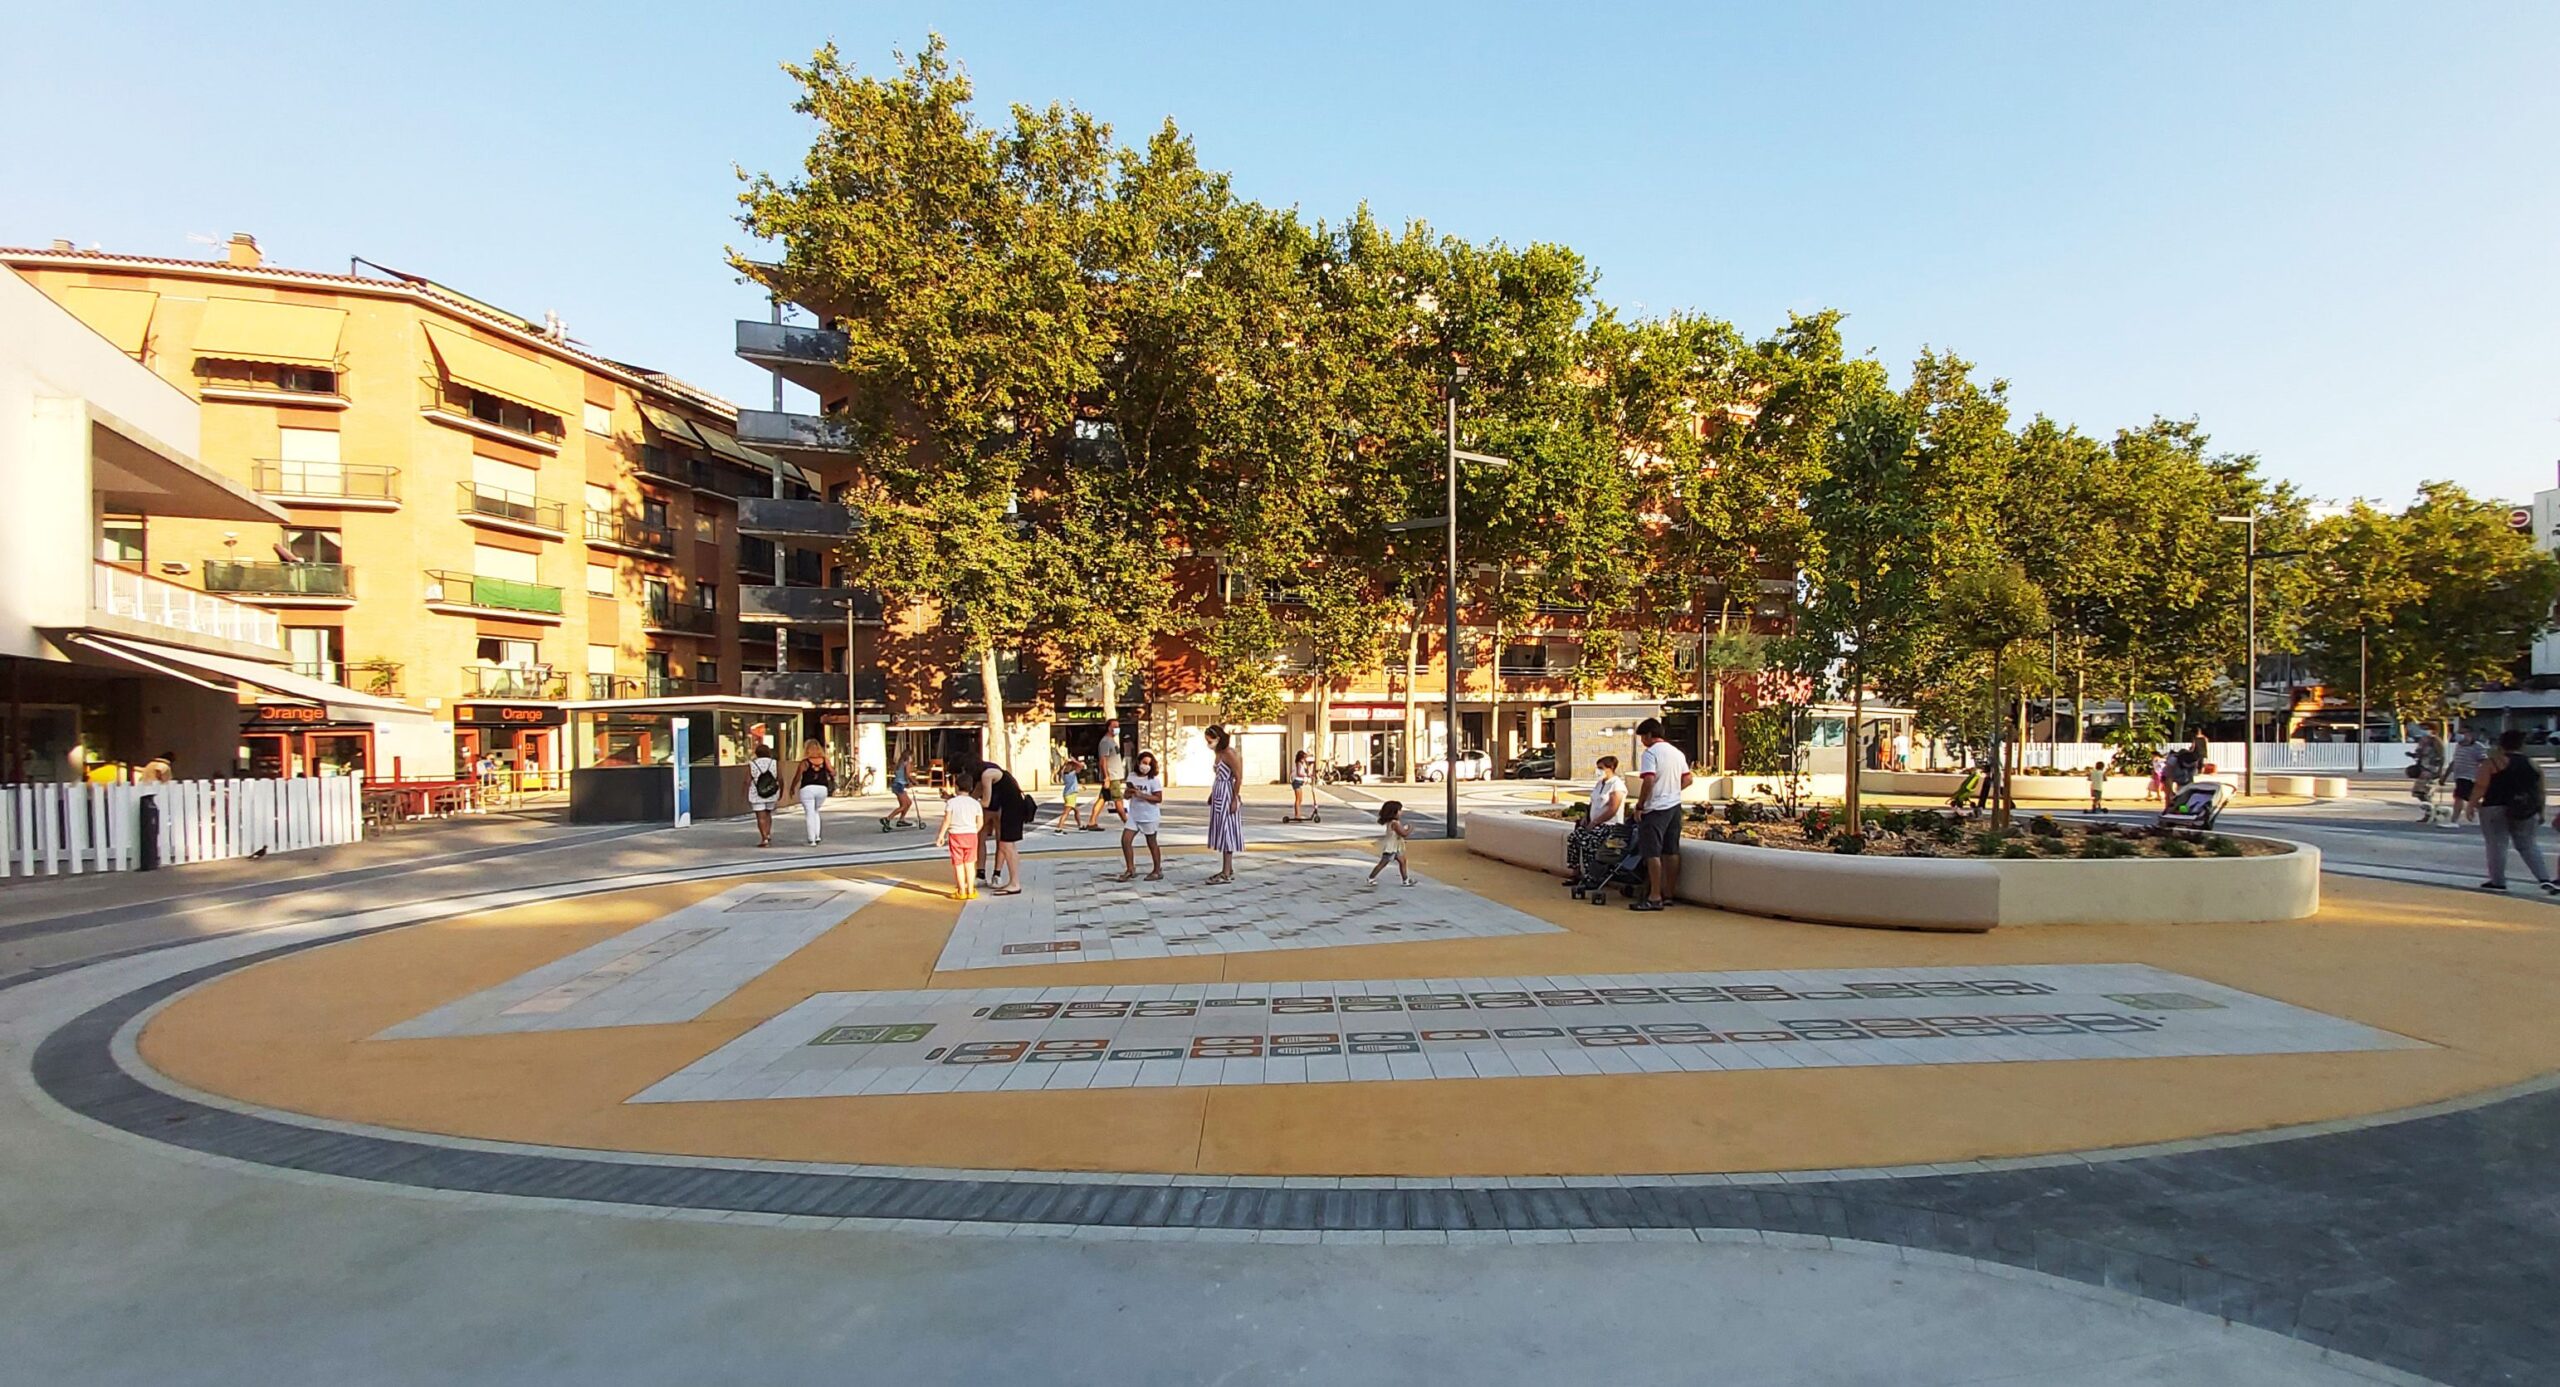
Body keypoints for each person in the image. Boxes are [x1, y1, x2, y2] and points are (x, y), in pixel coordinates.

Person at [2468, 730, 2557, 894]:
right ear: (2522, 745)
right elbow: (2541, 790)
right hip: (2526, 808)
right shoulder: (2533, 764)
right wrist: (2541, 810)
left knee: (2497, 845)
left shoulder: (2492, 763)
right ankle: (2544, 878)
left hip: (2494, 807)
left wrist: (2471, 805)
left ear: (2500, 745)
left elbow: (2480, 786)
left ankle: (2498, 881)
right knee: (2528, 844)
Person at [1630, 717, 1692, 912]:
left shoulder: (1650, 754)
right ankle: (1669, 894)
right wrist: (1672, 790)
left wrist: (1640, 805)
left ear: (1649, 735)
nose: (1642, 741)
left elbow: (1648, 780)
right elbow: (1688, 779)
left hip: (1655, 808)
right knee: (1671, 850)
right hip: (1674, 806)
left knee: (1652, 852)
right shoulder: (1677, 753)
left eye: (1643, 737)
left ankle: (1654, 896)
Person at [974, 760, 1030, 893]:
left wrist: (967, 803)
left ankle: (1014, 883)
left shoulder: (987, 775)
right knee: (1008, 846)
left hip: (1011, 810)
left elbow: (986, 802)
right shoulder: (992, 771)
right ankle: (1013, 882)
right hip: (1012, 808)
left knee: (1006, 845)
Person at [1114, 749, 1167, 882]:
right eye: (1144, 763)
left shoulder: (1153, 780)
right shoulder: (1132, 776)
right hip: (1134, 815)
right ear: (1138, 763)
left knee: (1151, 842)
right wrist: (1129, 793)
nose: (1145, 766)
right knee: (1125, 840)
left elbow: (1158, 798)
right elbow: (1126, 795)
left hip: (1149, 816)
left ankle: (1157, 870)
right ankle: (1130, 869)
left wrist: (1142, 795)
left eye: (1149, 764)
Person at [1202, 724, 1244, 884]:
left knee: (1227, 831)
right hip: (1219, 792)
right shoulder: (1218, 753)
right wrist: (1213, 794)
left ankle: (1226, 872)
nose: (1208, 744)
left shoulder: (1229, 753)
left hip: (1227, 792)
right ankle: (1227, 868)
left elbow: (1238, 777)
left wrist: (1234, 798)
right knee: (1221, 830)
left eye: (1210, 740)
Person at [936, 778, 985, 901]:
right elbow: (980, 822)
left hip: (955, 835)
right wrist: (974, 830)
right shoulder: (976, 803)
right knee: (970, 863)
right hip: (971, 834)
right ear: (971, 788)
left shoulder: (951, 803)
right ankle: (971, 890)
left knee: (958, 864)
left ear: (956, 787)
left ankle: (961, 891)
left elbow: (947, 820)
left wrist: (941, 835)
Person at [785, 740, 834, 847]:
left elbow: (798, 776)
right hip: (822, 788)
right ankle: (817, 836)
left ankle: (812, 839)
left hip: (807, 788)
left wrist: (792, 787)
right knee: (816, 810)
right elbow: (833, 772)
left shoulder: (805, 762)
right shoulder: (825, 760)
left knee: (810, 813)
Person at [1084, 719, 1125, 830]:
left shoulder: (1112, 741)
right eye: (1114, 726)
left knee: (1103, 798)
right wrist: (1106, 777)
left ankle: (1092, 822)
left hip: (1115, 775)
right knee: (1118, 799)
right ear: (1108, 728)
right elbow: (1103, 760)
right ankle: (1127, 822)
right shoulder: (1105, 742)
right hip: (1112, 776)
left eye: (1118, 726)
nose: (1117, 728)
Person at [1367, 799, 1415, 886]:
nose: (1401, 812)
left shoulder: (1394, 822)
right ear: (1394, 812)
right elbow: (1403, 833)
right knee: (1383, 863)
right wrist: (1410, 829)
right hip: (1391, 847)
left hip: (1396, 846)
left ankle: (1406, 879)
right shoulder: (1394, 823)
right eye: (1399, 810)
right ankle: (1371, 877)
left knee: (1402, 861)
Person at [744, 742, 781, 848]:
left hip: (757, 793)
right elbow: (780, 778)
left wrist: (744, 793)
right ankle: (768, 834)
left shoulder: (752, 764)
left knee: (760, 817)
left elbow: (747, 781)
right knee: (768, 814)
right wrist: (781, 791)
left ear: (757, 753)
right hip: (771, 792)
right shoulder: (774, 763)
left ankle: (764, 838)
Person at [2447, 728, 2487, 826]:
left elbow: (2484, 762)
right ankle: (2484, 812)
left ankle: (2454, 820)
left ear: (2469, 734)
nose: (2459, 735)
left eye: (2462, 733)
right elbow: (2455, 761)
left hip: (2469, 776)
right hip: (2458, 776)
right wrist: (2445, 775)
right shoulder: (2459, 746)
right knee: (2467, 798)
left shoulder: (2478, 747)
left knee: (2459, 797)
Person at [2409, 728, 2448, 825]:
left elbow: (2441, 759)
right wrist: (2415, 754)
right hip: (2423, 770)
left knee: (2423, 792)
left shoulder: (2435, 745)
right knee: (2419, 793)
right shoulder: (2423, 746)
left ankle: (2431, 812)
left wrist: (2440, 771)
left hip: (2430, 771)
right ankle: (2431, 811)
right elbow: (2419, 756)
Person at [1586, 755, 1628, 828]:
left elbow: (1613, 809)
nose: (1598, 771)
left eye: (1601, 768)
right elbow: (1593, 802)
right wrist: (1586, 818)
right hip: (1595, 825)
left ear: (1611, 767)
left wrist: (1596, 822)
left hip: (1610, 826)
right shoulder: (1599, 783)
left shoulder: (1616, 785)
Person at [881, 753, 917, 832]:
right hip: (899, 785)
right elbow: (907, 774)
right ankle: (888, 818)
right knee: (903, 806)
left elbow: (900, 775)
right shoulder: (907, 764)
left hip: (898, 784)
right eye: (911, 757)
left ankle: (901, 819)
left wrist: (906, 783)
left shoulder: (899, 764)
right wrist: (912, 781)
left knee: (908, 803)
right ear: (908, 757)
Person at [1286, 747, 1319, 824]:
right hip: (1296, 782)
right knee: (1298, 799)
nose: (1305, 759)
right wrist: (1307, 775)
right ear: (1301, 758)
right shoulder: (1299, 764)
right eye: (1304, 758)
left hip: (1299, 782)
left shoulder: (1301, 764)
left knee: (1300, 799)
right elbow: (1299, 773)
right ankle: (1297, 815)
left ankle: (1298, 814)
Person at [1052, 758, 1084, 832]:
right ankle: (1059, 828)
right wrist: (1075, 761)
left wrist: (1065, 763)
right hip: (1071, 795)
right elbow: (1081, 766)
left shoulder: (1063, 773)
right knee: (1066, 812)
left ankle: (1080, 826)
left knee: (1076, 811)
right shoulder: (1072, 773)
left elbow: (1063, 769)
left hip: (1067, 794)